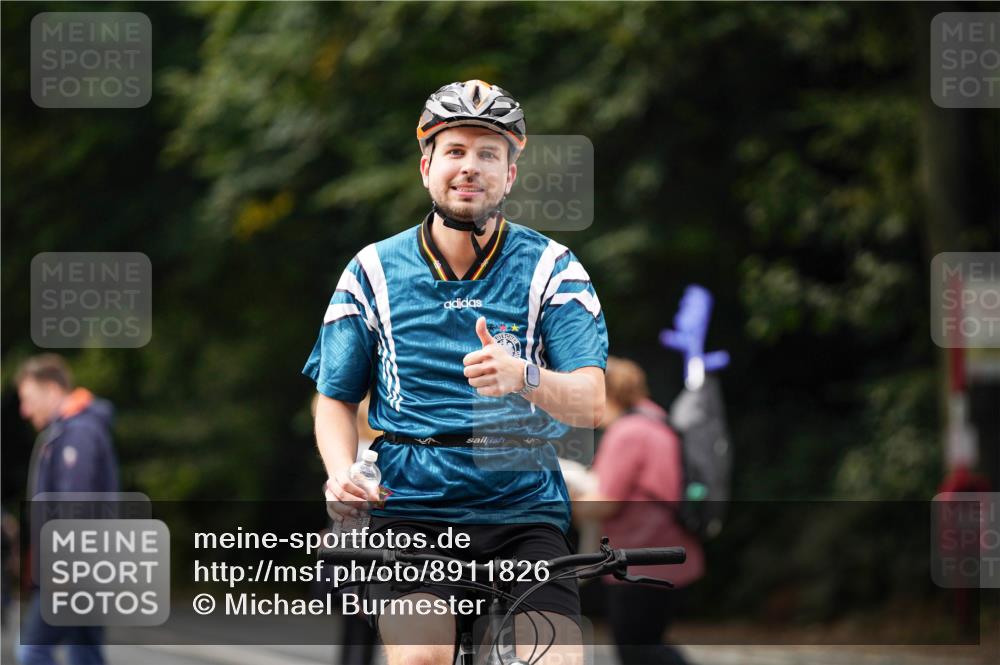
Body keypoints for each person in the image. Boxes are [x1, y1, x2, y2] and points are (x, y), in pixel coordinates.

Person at [304, 80, 608, 665]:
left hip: (524, 509)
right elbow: (335, 397)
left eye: (488, 153)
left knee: (557, 660)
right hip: (413, 509)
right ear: (427, 167)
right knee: (421, 658)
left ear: (510, 175)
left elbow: (592, 402)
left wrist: (524, 376)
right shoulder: (372, 271)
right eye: (455, 151)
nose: (470, 167)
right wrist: (341, 474)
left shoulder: (553, 268)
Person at [574, 357, 704, 665]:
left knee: (637, 648)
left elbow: (606, 502)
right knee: (648, 641)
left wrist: (564, 501)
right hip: (669, 552)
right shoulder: (657, 420)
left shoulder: (627, 433)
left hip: (641, 559)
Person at [15, 354, 119, 665]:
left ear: (51, 389)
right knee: (84, 652)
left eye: (29, 399)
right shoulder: (68, 430)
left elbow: (78, 501)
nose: (24, 410)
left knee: (33, 650)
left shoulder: (77, 433)